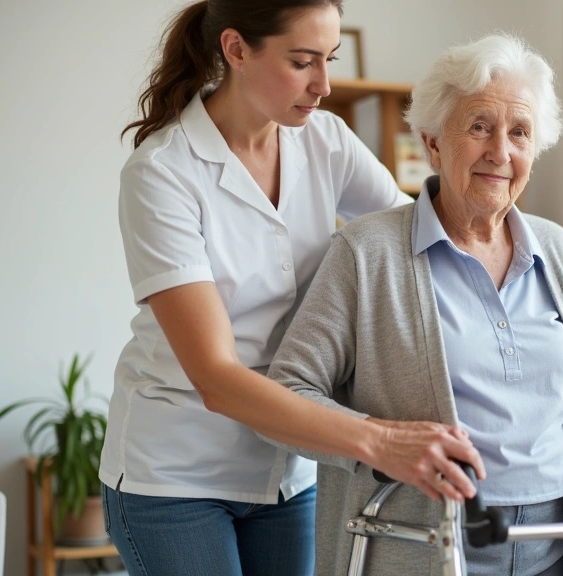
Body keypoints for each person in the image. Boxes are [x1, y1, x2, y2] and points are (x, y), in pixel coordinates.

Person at [265, 33, 563, 576]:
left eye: (520, 132)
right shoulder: (366, 253)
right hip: (423, 540)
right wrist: (382, 444)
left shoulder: (556, 248)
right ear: (433, 140)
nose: (500, 152)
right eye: (479, 126)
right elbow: (287, 395)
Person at [98, 2, 485, 575]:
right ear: (236, 50)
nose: (324, 85)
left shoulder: (326, 142)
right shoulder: (163, 174)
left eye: (328, 60)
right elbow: (217, 378)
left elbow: (414, 243)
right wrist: (379, 441)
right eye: (303, 62)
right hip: (177, 476)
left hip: (291, 474)